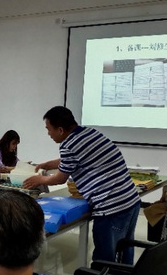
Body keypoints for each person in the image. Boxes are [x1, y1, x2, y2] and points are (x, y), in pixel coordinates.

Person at [23, 106, 141, 264]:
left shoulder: (68, 145)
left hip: (111, 207)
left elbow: (60, 179)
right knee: (124, 251)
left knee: (105, 258)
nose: (48, 134)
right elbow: (74, 158)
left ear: (60, 130)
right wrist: (48, 164)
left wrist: (38, 180)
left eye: (49, 129)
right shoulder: (89, 133)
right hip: (130, 201)